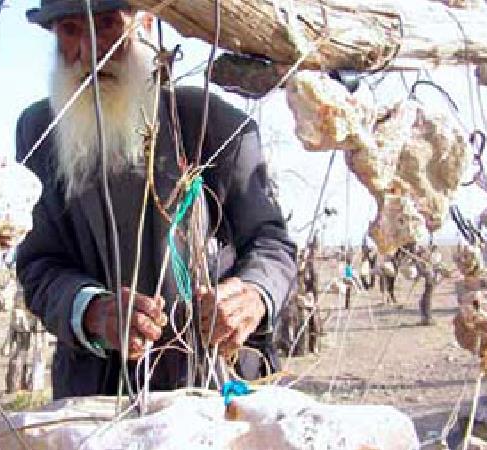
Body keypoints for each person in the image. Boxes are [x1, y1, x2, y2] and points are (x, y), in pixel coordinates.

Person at [15, 0, 296, 399]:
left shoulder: (213, 123)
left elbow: (272, 243)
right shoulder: (40, 131)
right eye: (71, 31)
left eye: (108, 25)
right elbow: (39, 263)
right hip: (99, 391)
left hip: (220, 382)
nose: (91, 51)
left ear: (147, 24)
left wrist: (251, 295)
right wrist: (93, 310)